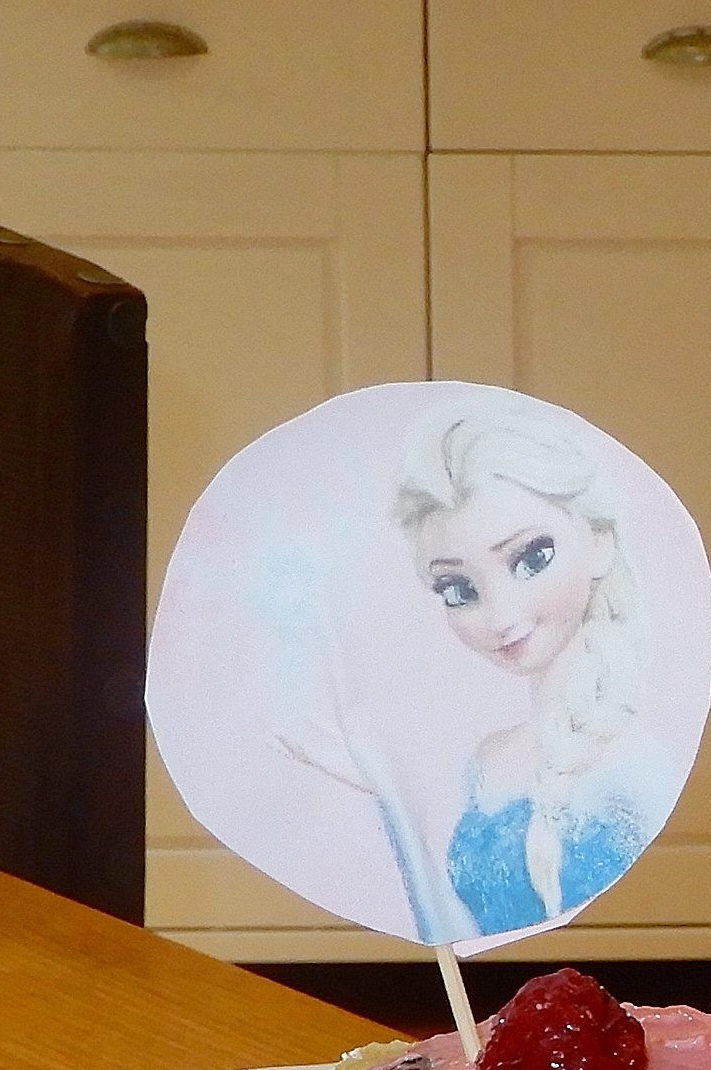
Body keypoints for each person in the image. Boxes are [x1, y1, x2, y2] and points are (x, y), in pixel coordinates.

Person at [285, 398, 674, 944]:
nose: (501, 617)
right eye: (459, 590)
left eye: (531, 559)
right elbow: (458, 937)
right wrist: (385, 794)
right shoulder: (487, 762)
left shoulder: (640, 768)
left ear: (601, 543)